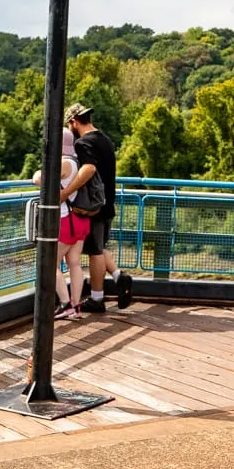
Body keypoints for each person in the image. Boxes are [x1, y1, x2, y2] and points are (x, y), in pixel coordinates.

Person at [60, 102, 133, 312]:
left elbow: (89, 169)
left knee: (95, 252)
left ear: (74, 121)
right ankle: (120, 276)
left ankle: (97, 299)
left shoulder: (84, 144)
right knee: (99, 247)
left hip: (94, 206)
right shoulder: (106, 140)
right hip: (108, 202)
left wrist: (65, 192)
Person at [32, 128, 89, 319]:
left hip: (66, 221)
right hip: (80, 219)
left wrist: (38, 172)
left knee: (50, 264)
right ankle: (76, 304)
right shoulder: (76, 161)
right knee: (74, 263)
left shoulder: (63, 163)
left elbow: (41, 179)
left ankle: (65, 304)